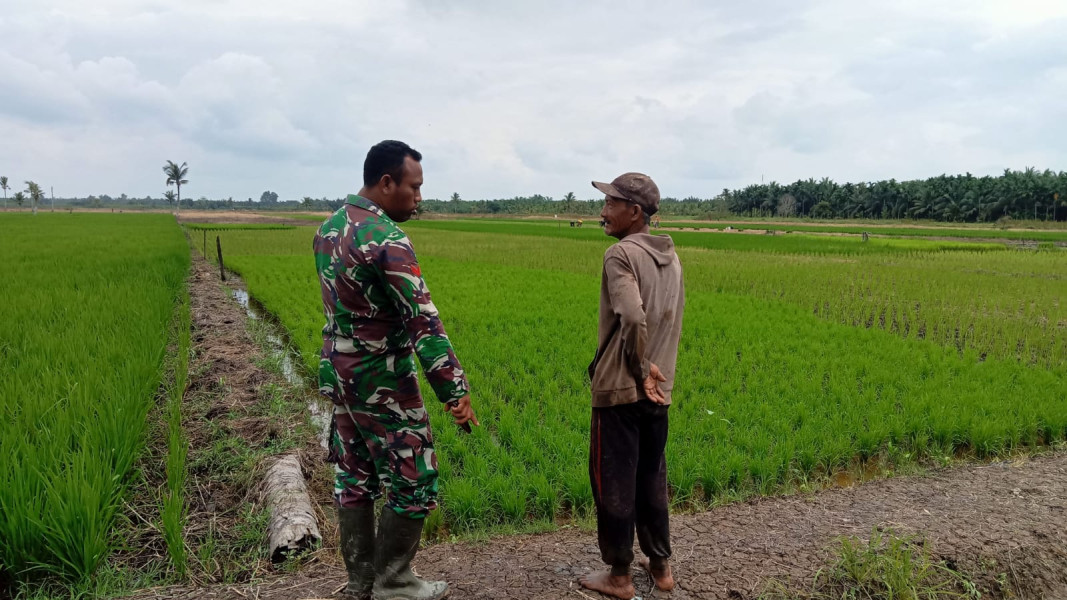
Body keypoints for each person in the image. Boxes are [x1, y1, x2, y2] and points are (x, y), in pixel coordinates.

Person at [314, 140, 478, 600]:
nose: (419, 197)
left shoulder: (329, 228)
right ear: (386, 183)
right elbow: (422, 320)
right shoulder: (386, 238)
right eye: (414, 187)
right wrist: (454, 389)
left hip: (339, 371)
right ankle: (395, 582)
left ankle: (361, 581)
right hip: (380, 374)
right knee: (415, 475)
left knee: (355, 472)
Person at [580, 172, 684, 599]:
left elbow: (634, 316)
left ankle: (620, 575)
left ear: (634, 212)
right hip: (660, 391)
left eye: (611, 203)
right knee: (650, 475)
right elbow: (667, 321)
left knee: (613, 480)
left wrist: (639, 368)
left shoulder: (619, 254)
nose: (603, 211)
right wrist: (656, 375)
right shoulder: (671, 257)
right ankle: (660, 567)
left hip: (623, 389)